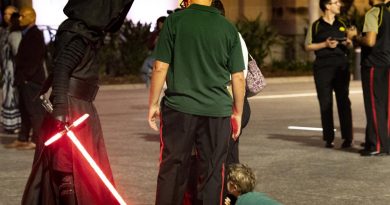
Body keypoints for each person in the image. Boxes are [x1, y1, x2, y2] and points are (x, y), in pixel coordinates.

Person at [21, 1, 134, 204]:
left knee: (79, 168)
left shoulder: (87, 32)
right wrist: (62, 108)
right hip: (71, 106)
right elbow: (62, 68)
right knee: (68, 168)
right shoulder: (77, 31)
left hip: (80, 105)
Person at [148, 0, 246, 204]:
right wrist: (237, 112)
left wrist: (154, 104)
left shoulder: (175, 21)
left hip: (179, 108)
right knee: (212, 172)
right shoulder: (228, 27)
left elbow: (160, 67)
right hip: (217, 111)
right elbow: (238, 77)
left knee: (173, 167)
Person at [304, 0, 353, 149]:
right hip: (322, 67)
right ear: (327, 5)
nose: (339, 4)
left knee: (343, 101)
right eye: (336, 2)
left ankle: (347, 138)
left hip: (341, 65)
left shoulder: (344, 22)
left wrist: (348, 42)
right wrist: (325, 44)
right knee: (325, 103)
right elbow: (307, 46)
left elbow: (351, 41)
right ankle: (329, 138)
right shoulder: (316, 25)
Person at [347, 0, 390, 156]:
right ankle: (384, 141)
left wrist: (354, 36)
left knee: (374, 105)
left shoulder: (374, 13)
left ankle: (377, 146)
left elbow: (370, 41)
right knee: (386, 106)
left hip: (374, 64)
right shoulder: (388, 12)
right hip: (387, 63)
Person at [4, 7, 45, 150]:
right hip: (24, 79)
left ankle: (36, 139)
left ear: (31, 17)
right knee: (24, 109)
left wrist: (28, 77)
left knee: (34, 111)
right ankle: (23, 137)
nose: (19, 19)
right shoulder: (26, 33)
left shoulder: (35, 34)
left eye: (23, 16)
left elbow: (35, 58)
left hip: (31, 80)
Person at [0, 6, 22, 134]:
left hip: (13, 69)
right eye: (5, 13)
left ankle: (15, 124)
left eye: (9, 14)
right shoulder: (4, 30)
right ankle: (9, 124)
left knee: (12, 95)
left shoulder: (16, 32)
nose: (6, 16)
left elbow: (17, 51)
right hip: (6, 69)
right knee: (7, 94)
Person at [140, 16, 166, 88]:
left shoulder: (169, 34)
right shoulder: (155, 34)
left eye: (162, 24)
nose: (160, 26)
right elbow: (149, 45)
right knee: (145, 70)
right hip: (153, 57)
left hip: (163, 58)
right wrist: (154, 41)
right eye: (159, 24)